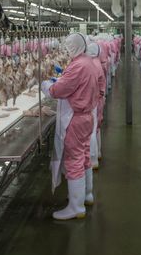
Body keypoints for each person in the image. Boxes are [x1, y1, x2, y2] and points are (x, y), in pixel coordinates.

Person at [41, 33, 98, 220]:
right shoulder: (88, 62)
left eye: (67, 47)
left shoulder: (78, 66)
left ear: (73, 47)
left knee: (74, 160)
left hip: (76, 118)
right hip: (86, 116)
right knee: (83, 156)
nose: (66, 50)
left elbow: (58, 91)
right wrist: (62, 78)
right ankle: (86, 195)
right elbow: (74, 85)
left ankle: (76, 206)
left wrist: (47, 85)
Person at [85, 42, 106, 170]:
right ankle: (97, 152)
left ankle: (92, 159)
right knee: (96, 127)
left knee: (91, 130)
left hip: (94, 100)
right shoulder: (97, 63)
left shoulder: (91, 65)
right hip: (99, 99)